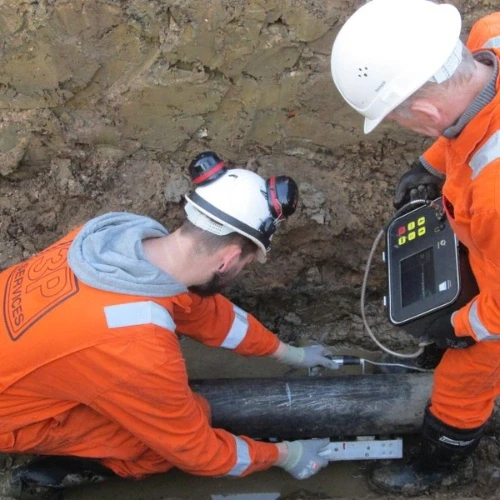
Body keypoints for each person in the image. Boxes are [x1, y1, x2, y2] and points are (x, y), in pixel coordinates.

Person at [0, 151, 337, 498]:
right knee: (155, 445)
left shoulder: (114, 241)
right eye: (247, 263)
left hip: (30, 355)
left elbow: (203, 312)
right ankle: (72, 467)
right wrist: (285, 455)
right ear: (230, 259)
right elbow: (196, 451)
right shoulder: (137, 346)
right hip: (9, 410)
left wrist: (288, 354)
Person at [330, 0, 500, 496]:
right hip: (484, 229)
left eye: (405, 120)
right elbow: (469, 117)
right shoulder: (490, 38)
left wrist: (460, 326)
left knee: (464, 378)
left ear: (424, 112)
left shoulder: (493, 194)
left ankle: (438, 462)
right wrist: (433, 163)